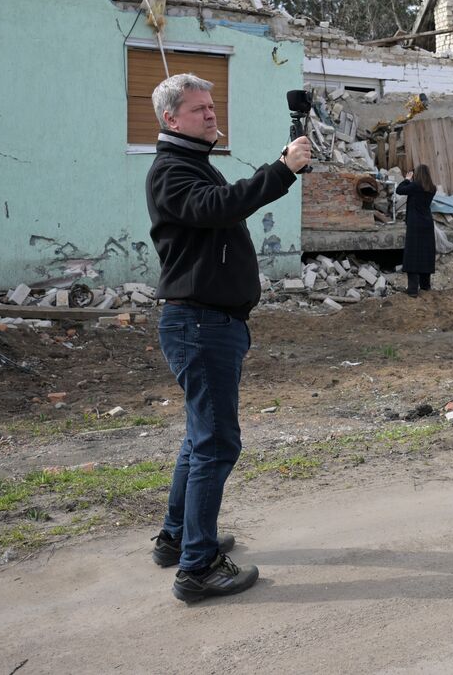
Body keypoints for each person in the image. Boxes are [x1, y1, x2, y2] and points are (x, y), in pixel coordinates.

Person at [144, 73, 310, 603]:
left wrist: (278, 168)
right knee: (216, 443)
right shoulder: (171, 172)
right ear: (171, 119)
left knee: (200, 437)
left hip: (210, 323)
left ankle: (178, 538)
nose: (212, 115)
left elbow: (224, 202)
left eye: (212, 107)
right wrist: (282, 170)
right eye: (199, 110)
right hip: (200, 324)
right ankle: (197, 568)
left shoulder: (191, 164)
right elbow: (219, 207)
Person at [396, 164, 437, 296]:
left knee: (413, 255)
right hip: (427, 224)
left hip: (415, 225)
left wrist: (407, 179)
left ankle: (413, 290)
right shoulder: (432, 188)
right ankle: (425, 286)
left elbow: (399, 190)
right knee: (426, 254)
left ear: (417, 174)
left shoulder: (415, 186)